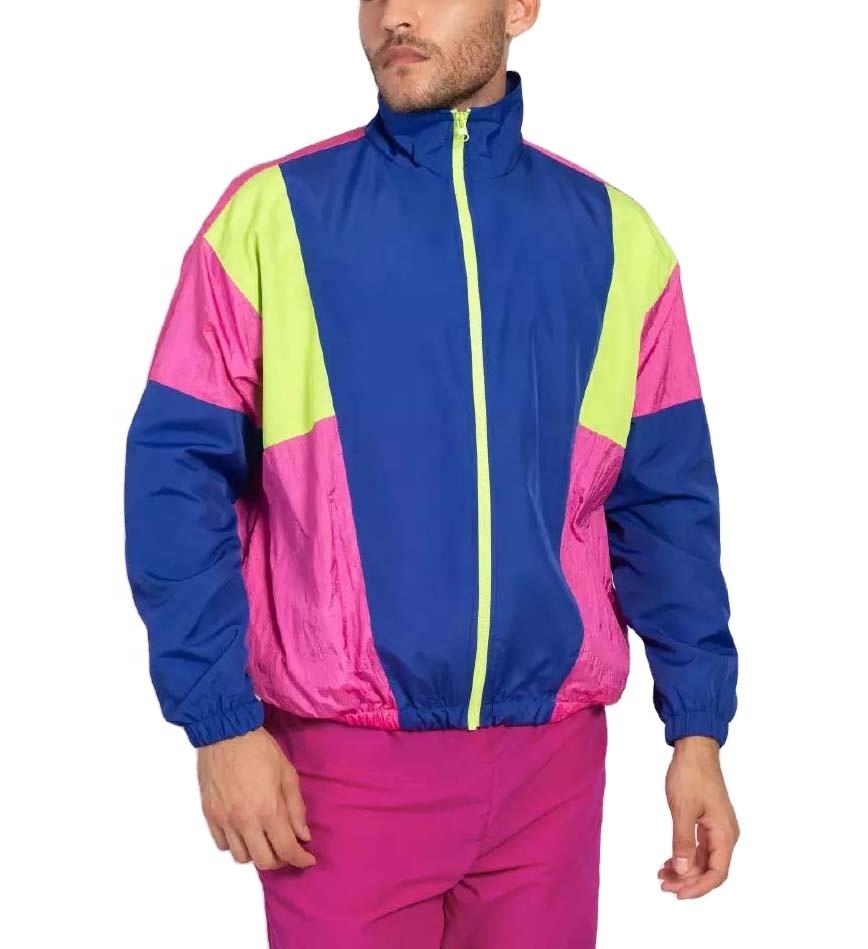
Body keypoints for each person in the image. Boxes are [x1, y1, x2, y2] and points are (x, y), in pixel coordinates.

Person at [124, 1, 740, 946]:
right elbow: (175, 476)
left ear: (519, 8)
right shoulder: (271, 218)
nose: (396, 16)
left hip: (551, 771)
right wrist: (220, 721)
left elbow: (666, 507)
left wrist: (697, 728)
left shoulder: (620, 241)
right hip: (342, 769)